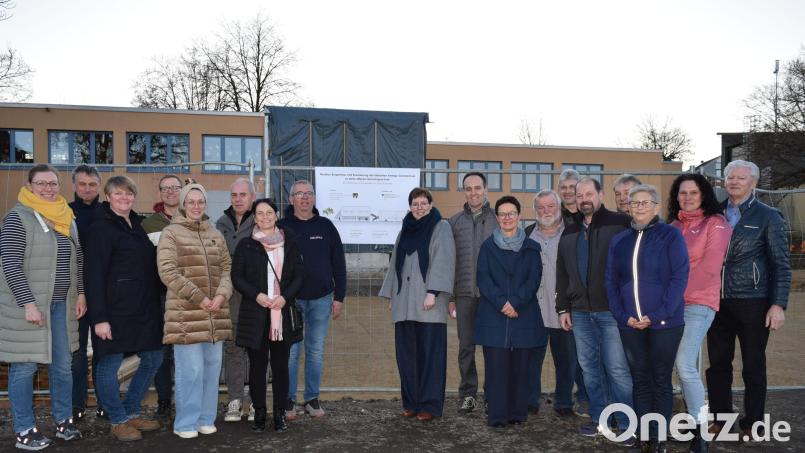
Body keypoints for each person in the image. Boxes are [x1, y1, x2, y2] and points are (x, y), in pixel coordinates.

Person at [0, 164, 85, 450]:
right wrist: (28, 303)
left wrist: (81, 294)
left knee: (63, 367)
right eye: (41, 183)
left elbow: (78, 260)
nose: (48, 189)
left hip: (62, 304)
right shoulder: (17, 217)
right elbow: (9, 264)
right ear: (30, 185)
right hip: (30, 307)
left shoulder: (67, 217)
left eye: (53, 183)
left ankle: (64, 422)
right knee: (24, 368)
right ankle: (24, 430)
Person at [706, 160, 791, 442]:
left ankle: (753, 423)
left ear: (753, 182)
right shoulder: (713, 213)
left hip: (754, 301)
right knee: (718, 364)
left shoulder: (769, 216)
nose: (734, 181)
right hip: (717, 302)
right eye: (730, 177)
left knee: (753, 365)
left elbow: (781, 264)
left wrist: (777, 304)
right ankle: (719, 420)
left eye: (741, 177)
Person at [606, 184, 689, 452]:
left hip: (665, 324)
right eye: (634, 202)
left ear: (656, 206)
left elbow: (679, 279)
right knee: (640, 379)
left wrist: (656, 315)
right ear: (628, 207)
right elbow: (611, 282)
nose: (639, 207)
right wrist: (623, 316)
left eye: (645, 202)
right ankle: (643, 436)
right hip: (630, 325)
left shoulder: (671, 236)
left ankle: (660, 437)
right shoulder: (619, 240)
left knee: (661, 379)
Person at [84, 176, 164, 442]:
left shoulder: (138, 225)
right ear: (107, 196)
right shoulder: (100, 227)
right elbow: (93, 274)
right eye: (118, 193)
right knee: (109, 363)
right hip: (114, 310)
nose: (124, 198)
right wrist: (100, 318)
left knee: (153, 357)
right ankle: (117, 419)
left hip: (144, 307)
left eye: (128, 193)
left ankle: (131, 410)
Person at [555, 176, 634, 440]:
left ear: (600, 195)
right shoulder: (570, 230)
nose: (584, 199)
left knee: (617, 369)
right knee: (590, 369)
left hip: (611, 311)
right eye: (579, 195)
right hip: (579, 312)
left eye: (589, 194)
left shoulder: (620, 224)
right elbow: (562, 272)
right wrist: (562, 308)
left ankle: (625, 423)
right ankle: (600, 420)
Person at [157, 183, 233, 439]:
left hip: (215, 313)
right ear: (182, 204)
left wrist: (222, 294)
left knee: (212, 369)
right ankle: (185, 422)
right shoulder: (171, 233)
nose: (196, 206)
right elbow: (168, 271)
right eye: (191, 202)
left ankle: (205, 417)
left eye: (200, 201)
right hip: (186, 314)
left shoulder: (215, 233)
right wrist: (199, 297)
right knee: (191, 371)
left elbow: (227, 268)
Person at [379, 187, 455, 421]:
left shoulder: (440, 227)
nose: (419, 207)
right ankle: (411, 401)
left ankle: (430, 405)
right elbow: (395, 266)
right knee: (407, 356)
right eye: (415, 203)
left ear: (430, 204)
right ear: (410, 206)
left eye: (423, 203)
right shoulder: (405, 230)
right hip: (405, 304)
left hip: (428, 304)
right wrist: (392, 295)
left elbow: (444, 259)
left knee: (430, 356)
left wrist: (432, 292)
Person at [668, 173, 731, 452]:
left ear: (703, 194)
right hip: (671, 306)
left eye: (693, 192)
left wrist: (673, 291)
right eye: (683, 193)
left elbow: (709, 268)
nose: (688, 197)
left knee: (684, 364)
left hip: (698, 303)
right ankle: (687, 420)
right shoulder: (672, 226)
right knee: (675, 365)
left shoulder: (716, 224)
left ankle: (700, 429)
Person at [232, 198, 304, 433]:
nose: (264, 217)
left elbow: (299, 276)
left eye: (269, 212)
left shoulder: (290, 240)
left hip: (281, 313)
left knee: (281, 366)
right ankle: (260, 412)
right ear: (254, 216)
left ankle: (280, 412)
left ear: (276, 214)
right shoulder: (246, 244)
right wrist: (257, 295)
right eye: (260, 213)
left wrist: (285, 298)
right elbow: (237, 277)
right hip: (256, 313)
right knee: (257, 367)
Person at [475, 196, 545, 427]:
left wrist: (515, 302)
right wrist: (503, 304)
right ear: (497, 218)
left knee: (520, 369)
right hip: (494, 316)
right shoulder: (487, 247)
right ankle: (497, 416)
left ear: (518, 216)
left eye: (511, 213)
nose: (506, 218)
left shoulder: (532, 248)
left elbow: (533, 279)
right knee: (495, 371)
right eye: (502, 214)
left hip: (523, 315)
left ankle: (517, 414)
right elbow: (484, 280)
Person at [279, 180, 346, 419]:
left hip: (321, 299)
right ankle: (287, 400)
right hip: (290, 301)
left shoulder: (326, 226)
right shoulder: (281, 227)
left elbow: (339, 262)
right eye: (299, 194)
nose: (305, 198)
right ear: (291, 199)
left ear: (315, 198)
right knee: (291, 352)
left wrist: (339, 297)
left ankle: (311, 398)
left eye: (309, 194)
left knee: (315, 350)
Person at [525, 190, 582, 418]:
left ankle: (564, 401)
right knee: (531, 361)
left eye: (550, 206)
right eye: (541, 207)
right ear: (535, 211)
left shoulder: (572, 234)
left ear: (559, 208)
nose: (546, 211)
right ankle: (530, 400)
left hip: (563, 310)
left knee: (566, 360)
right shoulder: (527, 234)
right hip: (534, 310)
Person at [447, 171, 496, 413]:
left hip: (491, 297)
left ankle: (492, 395)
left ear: (486, 189)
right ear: (463, 191)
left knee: (492, 347)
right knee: (466, 347)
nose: (473, 192)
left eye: (478, 188)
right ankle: (468, 394)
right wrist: (451, 296)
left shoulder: (498, 219)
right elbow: (449, 261)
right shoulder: (454, 222)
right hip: (464, 295)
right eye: (468, 188)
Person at [215, 177, 257, 423]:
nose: (238, 199)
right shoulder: (220, 224)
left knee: (254, 348)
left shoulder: (261, 221)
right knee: (232, 347)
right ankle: (234, 399)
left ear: (252, 197)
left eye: (243, 195)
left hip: (253, 295)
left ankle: (252, 401)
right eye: (234, 195)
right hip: (229, 295)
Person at [141, 174, 183, 418]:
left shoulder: (195, 218)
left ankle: (187, 399)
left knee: (186, 350)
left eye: (174, 188)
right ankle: (165, 400)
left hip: (188, 294)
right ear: (160, 193)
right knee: (163, 350)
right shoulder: (149, 224)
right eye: (165, 188)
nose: (170, 192)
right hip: (159, 295)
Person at [68, 164, 103, 422]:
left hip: (103, 294)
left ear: (99, 186)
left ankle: (105, 403)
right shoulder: (65, 213)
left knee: (104, 352)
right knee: (77, 352)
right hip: (74, 294)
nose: (87, 189)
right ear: (75, 186)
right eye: (83, 184)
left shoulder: (107, 213)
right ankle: (76, 404)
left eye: (92, 184)